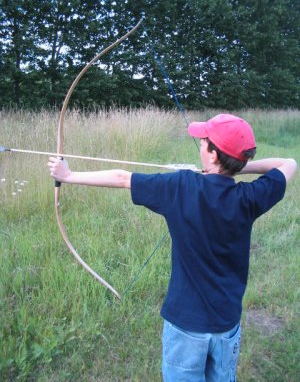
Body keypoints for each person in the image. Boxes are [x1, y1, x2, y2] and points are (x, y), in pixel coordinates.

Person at [48, 113, 297, 382]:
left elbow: (122, 178)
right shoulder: (250, 198)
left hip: (185, 325)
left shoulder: (181, 186)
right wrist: (236, 166)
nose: (200, 145)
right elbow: (288, 163)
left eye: (203, 142)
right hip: (227, 323)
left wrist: (69, 175)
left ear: (213, 155)